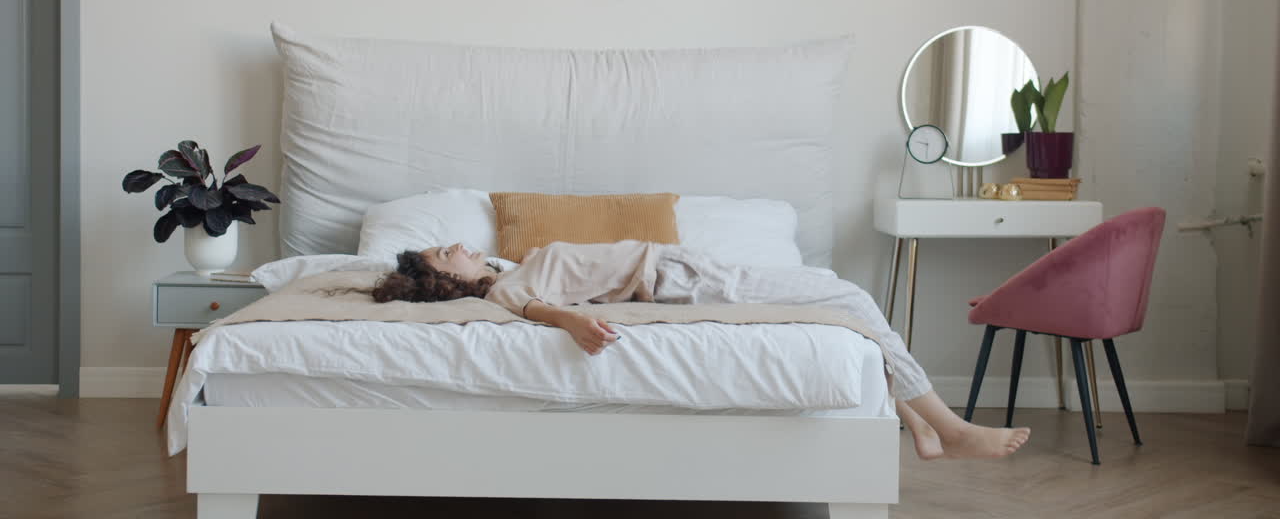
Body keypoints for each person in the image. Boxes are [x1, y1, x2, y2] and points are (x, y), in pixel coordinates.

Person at [371, 240, 1031, 461]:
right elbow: (535, 309)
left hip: (680, 269)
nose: (458, 243)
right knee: (852, 300)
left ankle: (916, 421)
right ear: (449, 278)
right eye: (444, 250)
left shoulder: (507, 267)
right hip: (684, 280)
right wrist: (573, 324)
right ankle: (948, 425)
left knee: (838, 298)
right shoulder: (505, 289)